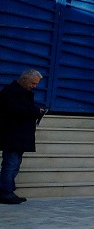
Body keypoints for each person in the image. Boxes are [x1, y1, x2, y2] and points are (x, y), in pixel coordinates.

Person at [0, 70, 45, 204]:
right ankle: (5, 192)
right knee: (10, 164)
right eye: (33, 83)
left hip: (19, 136)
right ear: (24, 79)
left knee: (15, 164)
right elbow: (14, 110)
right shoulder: (11, 92)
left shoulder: (23, 92)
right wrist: (35, 111)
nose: (34, 86)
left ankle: (8, 190)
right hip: (13, 136)